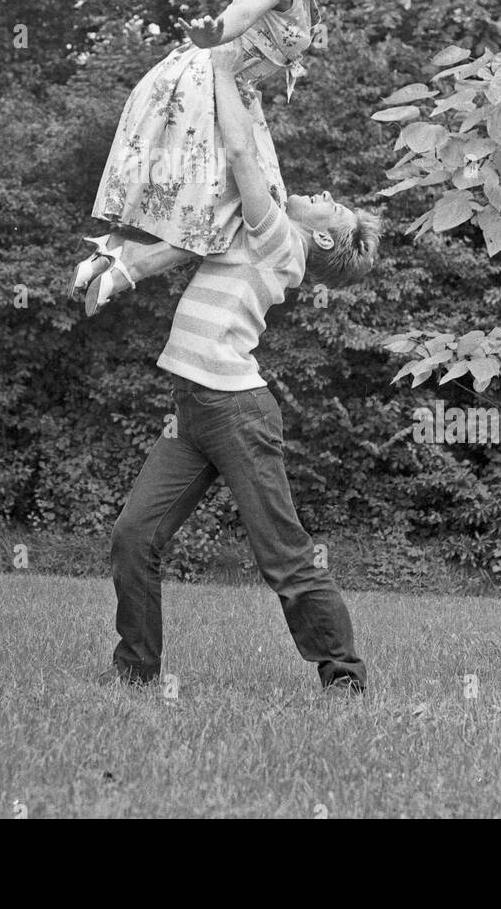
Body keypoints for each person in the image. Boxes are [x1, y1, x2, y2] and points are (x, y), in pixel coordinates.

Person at [100, 44, 381, 693]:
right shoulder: (271, 226)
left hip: (236, 414)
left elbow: (241, 158)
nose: (327, 194)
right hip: (195, 412)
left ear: (327, 238)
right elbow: (252, 149)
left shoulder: (282, 240)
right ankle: (136, 673)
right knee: (133, 535)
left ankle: (344, 678)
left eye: (334, 208)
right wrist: (247, 91)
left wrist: (223, 71)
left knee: (281, 553)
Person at [73, 0, 458, 314]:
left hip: (233, 90)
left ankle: (118, 255)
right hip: (208, 84)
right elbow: (244, 12)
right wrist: (216, 31)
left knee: (259, 214)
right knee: (250, 214)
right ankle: (125, 261)